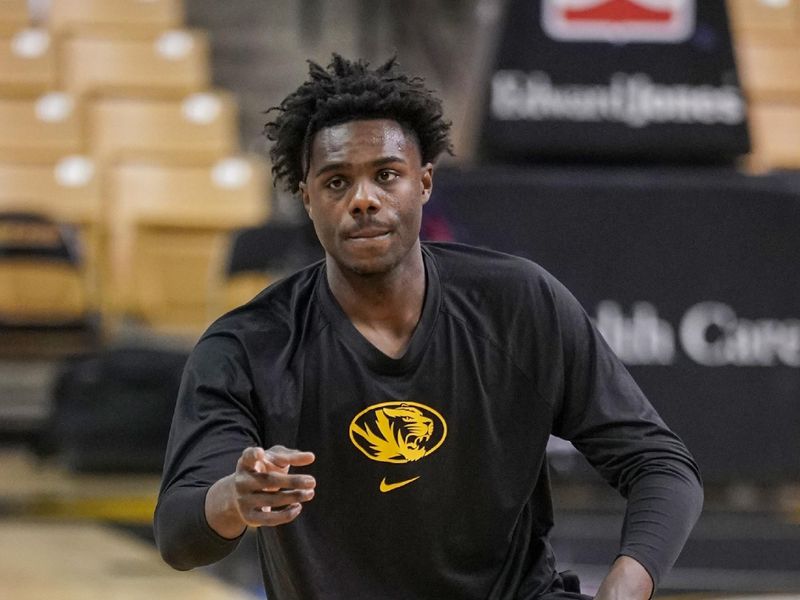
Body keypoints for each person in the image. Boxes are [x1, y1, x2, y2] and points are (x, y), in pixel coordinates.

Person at [154, 55, 703, 600]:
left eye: (386, 175)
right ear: (307, 198)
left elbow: (660, 466)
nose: (363, 199)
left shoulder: (518, 304)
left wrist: (624, 589)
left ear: (424, 182)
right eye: (337, 181)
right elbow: (179, 535)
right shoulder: (247, 345)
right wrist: (235, 498)